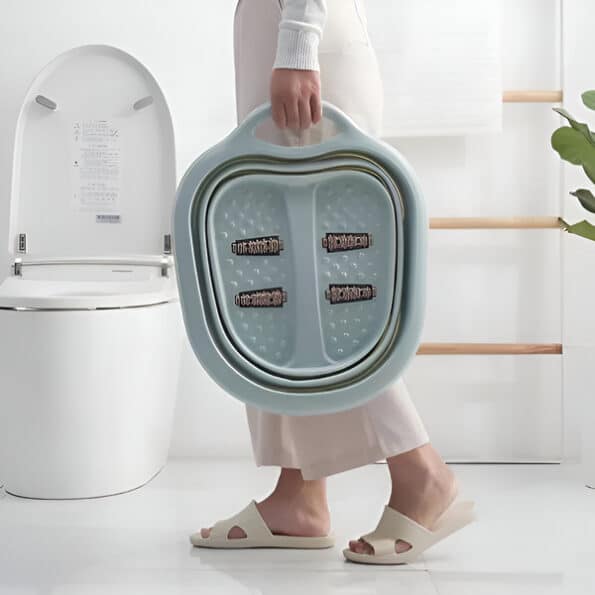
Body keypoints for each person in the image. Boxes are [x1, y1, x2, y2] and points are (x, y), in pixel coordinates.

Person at [191, 0, 471, 564]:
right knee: (283, 280)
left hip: (299, 33)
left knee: (324, 286)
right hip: (281, 31)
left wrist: (297, 42)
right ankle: (299, 494)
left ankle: (422, 474)